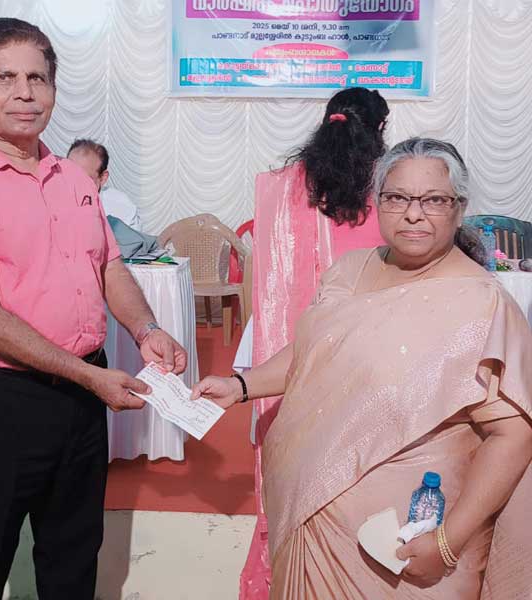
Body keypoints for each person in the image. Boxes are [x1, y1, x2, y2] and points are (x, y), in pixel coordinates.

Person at [193, 138, 532, 598]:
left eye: (433, 200)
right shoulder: (349, 270)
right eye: (397, 197)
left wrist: (447, 543)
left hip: (407, 550)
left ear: (459, 208)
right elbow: (313, 352)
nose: (413, 214)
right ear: (378, 202)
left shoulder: (482, 303)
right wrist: (240, 385)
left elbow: (513, 435)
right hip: (312, 527)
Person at [0, 18, 186, 600]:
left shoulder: (75, 179)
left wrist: (146, 329)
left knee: (73, 557)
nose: (25, 93)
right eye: (5, 79)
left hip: (79, 402)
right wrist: (87, 377)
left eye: (37, 78)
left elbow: (109, 266)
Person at [242, 87, 389, 596]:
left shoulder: (280, 187)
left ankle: (282, 573)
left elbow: (267, 282)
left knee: (291, 469)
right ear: (379, 130)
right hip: (364, 355)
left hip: (284, 351)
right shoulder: (387, 190)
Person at [67, 138, 142, 231]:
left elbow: (133, 240)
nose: (74, 184)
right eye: (69, 175)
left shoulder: (123, 209)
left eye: (84, 179)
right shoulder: (53, 200)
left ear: (103, 178)